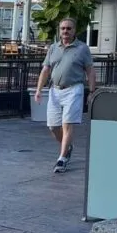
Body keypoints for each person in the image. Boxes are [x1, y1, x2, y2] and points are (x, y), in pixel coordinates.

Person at [35, 17, 95, 173]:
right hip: (55, 90)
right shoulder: (53, 48)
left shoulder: (82, 48)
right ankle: (67, 146)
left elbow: (90, 70)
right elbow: (46, 70)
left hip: (74, 89)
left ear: (74, 30)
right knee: (53, 126)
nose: (65, 31)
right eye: (63, 28)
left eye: (69, 28)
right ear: (59, 31)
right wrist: (38, 90)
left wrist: (92, 91)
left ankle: (62, 159)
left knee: (67, 124)